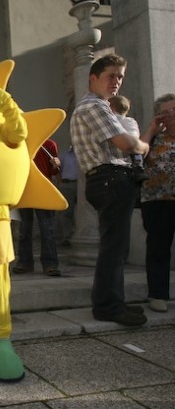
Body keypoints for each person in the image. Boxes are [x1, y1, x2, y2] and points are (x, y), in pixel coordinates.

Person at [70, 53, 150, 327]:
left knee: (115, 247)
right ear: (94, 78)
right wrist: (142, 145)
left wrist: (140, 140)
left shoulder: (97, 105)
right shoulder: (96, 106)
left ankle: (112, 302)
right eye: (110, 76)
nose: (116, 82)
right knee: (114, 248)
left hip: (108, 178)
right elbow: (127, 143)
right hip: (110, 177)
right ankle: (108, 307)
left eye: (120, 77)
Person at [139, 93, 175, 313]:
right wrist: (152, 129)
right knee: (158, 248)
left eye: (174, 109)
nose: (171, 114)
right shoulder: (152, 138)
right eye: (165, 111)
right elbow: (136, 155)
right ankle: (158, 295)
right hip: (156, 201)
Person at [13, 139, 62, 276]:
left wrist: (56, 165)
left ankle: (50, 264)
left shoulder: (49, 144)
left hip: (44, 190)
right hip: (24, 190)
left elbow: (53, 170)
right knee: (24, 229)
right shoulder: (20, 142)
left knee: (48, 229)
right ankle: (25, 262)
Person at [109, 95, 149, 182]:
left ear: (112, 107)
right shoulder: (130, 120)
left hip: (126, 142)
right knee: (136, 157)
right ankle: (139, 169)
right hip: (133, 141)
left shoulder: (112, 119)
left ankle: (138, 169)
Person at [58, 146, 79, 246]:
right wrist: (60, 183)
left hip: (83, 184)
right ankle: (67, 237)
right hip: (68, 185)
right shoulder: (64, 155)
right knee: (66, 212)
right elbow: (57, 170)